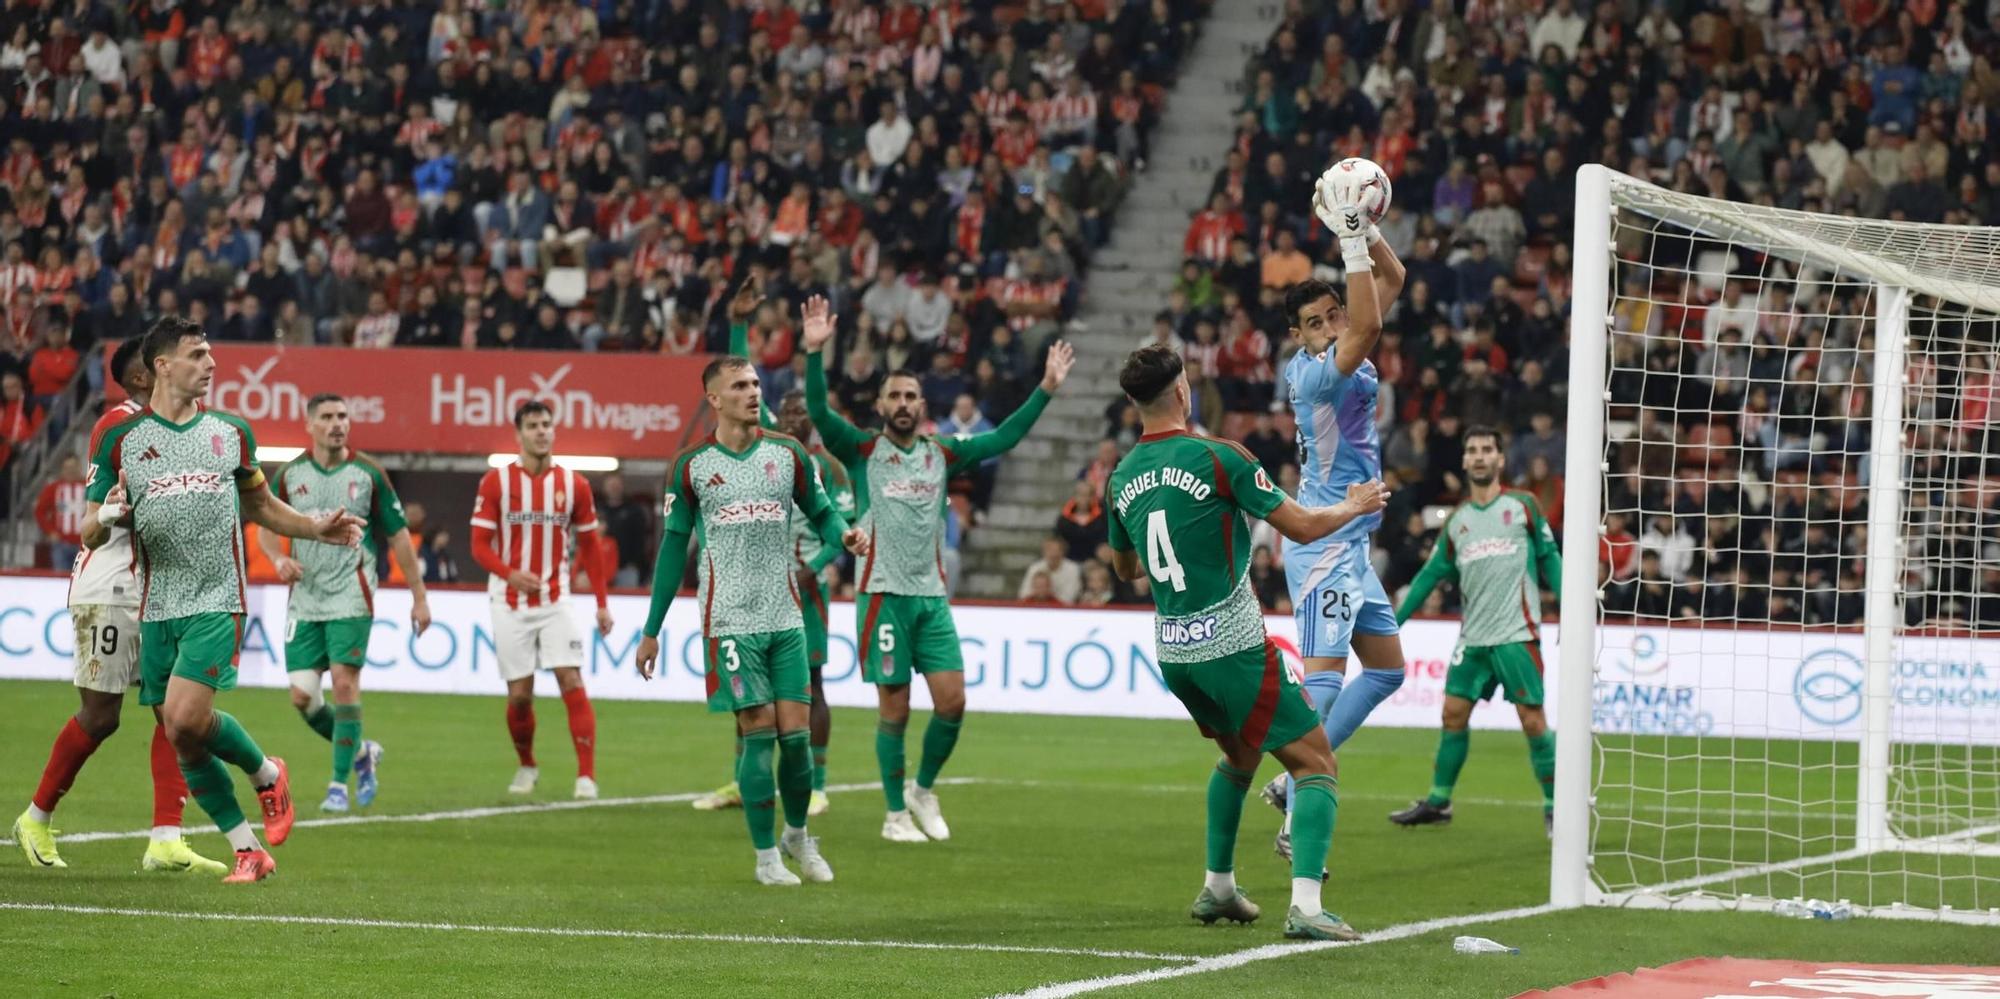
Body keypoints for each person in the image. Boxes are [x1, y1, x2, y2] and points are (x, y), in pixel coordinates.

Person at [1105, 343, 1386, 940]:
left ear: (1133, 403)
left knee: (1239, 757)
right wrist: (1354, 503)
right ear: (1184, 391)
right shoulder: (1219, 458)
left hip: (1176, 653)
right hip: (1233, 646)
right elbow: (1303, 527)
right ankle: (1308, 909)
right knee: (1315, 764)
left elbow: (1125, 569)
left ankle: (1219, 889)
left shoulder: (1122, 474)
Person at [78, 316, 365, 883]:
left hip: (216, 596)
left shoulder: (230, 433)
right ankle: (247, 849)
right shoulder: (120, 439)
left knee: (186, 717)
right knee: (181, 736)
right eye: (197, 354)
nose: (211, 364)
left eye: (211, 354)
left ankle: (265, 772)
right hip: (155, 603)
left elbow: (258, 506)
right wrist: (109, 512)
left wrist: (312, 527)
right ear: (162, 365)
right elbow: (88, 530)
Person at [801, 294, 1074, 843]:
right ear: (879, 406)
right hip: (881, 595)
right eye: (893, 396)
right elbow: (819, 414)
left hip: (931, 598)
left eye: (910, 396)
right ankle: (894, 815)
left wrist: (1045, 388)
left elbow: (1003, 439)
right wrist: (813, 354)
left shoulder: (940, 452)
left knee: (953, 702)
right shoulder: (860, 451)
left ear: (922, 405)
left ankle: (922, 789)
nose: (902, 403)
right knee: (895, 709)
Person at [634, 353, 866, 885]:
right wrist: (652, 630)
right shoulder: (692, 466)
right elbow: (674, 549)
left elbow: (825, 513)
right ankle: (766, 858)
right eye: (740, 385)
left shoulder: (787, 455)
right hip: (729, 620)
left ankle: (799, 836)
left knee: (798, 740)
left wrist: (843, 537)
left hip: (786, 615)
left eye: (756, 382)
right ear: (714, 398)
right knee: (757, 732)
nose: (753, 391)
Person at [13, 338, 225, 876]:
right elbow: (94, 521)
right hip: (111, 587)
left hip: (161, 591)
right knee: (101, 716)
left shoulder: (196, 430)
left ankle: (165, 838)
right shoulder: (119, 427)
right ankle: (35, 817)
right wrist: (115, 511)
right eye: (167, 361)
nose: (188, 367)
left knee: (174, 714)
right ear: (141, 377)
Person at [1264, 183, 1410, 863]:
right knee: (1321, 680)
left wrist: (1363, 229)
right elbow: (1370, 323)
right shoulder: (1315, 372)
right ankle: (1301, 793)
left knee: (1385, 670)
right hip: (1324, 541)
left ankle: (1288, 781)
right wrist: (1349, 237)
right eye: (1315, 321)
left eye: (1333, 314)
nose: (1331, 325)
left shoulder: (1345, 348)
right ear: (1298, 336)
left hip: (1352, 539)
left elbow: (1394, 278)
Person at [260, 394, 432, 813]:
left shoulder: (368, 472)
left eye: (343, 416)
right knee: (303, 698)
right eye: (328, 417)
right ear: (310, 425)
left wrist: (419, 596)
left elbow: (397, 536)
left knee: (343, 683)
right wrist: (279, 558)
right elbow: (265, 520)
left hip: (352, 593)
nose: (338, 424)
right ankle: (360, 754)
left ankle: (338, 785)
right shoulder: (290, 474)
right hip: (305, 598)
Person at [1388, 427, 1562, 835]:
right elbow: (1429, 576)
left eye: (1487, 450)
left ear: (1501, 460)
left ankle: (1556, 806)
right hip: (1473, 639)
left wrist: (1570, 608)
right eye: (1472, 451)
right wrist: (1392, 624)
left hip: (1517, 635)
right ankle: (1439, 800)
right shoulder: (1458, 522)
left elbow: (1549, 556)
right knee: (1452, 714)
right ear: (1464, 461)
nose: (1480, 456)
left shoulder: (1523, 505)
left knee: (1533, 722)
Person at [468, 401, 616, 799]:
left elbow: (590, 546)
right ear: (519, 434)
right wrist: (509, 572)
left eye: (547, 425)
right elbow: (479, 546)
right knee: (520, 695)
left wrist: (601, 601)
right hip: (508, 600)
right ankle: (527, 765)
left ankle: (586, 775)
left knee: (571, 678)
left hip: (556, 598)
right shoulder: (496, 483)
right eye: (533, 425)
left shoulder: (575, 485)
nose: (541, 432)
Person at [35, 453, 88, 569]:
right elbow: (39, 511)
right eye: (67, 468)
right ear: (62, 470)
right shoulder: (53, 488)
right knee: (60, 581)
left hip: (84, 545)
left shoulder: (89, 487)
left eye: (74, 467)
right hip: (61, 545)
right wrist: (50, 531)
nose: (71, 471)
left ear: (79, 467)